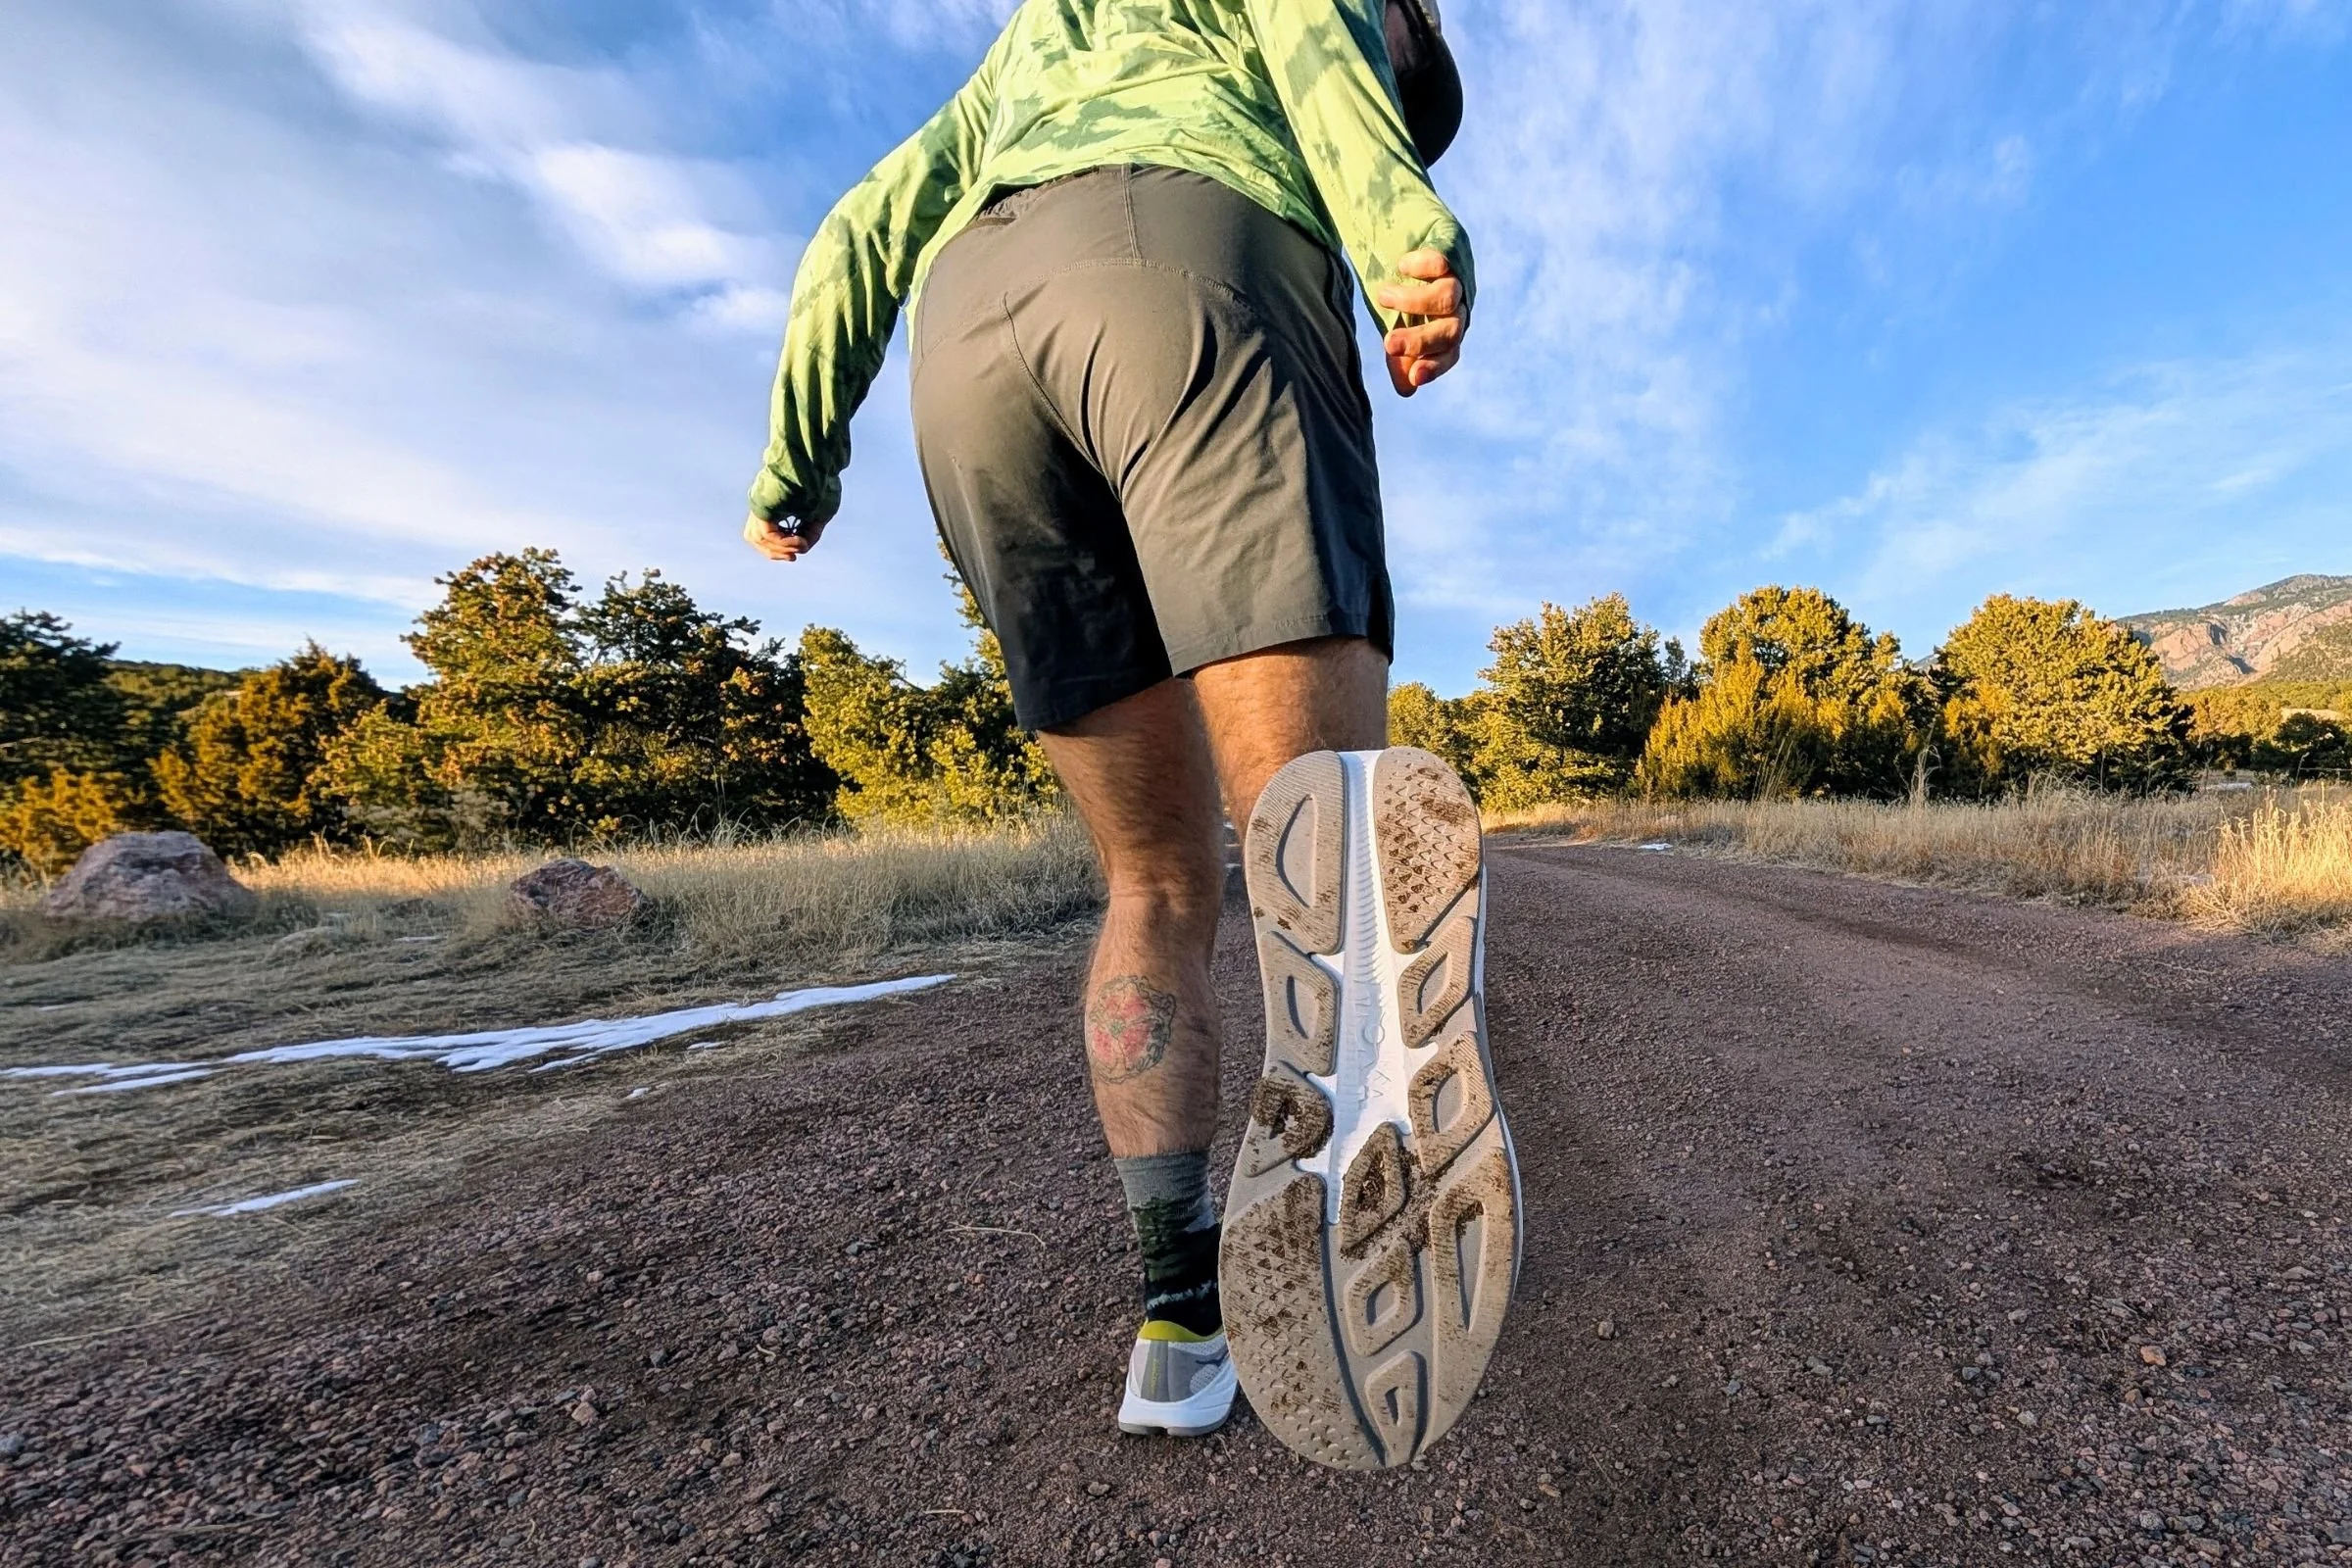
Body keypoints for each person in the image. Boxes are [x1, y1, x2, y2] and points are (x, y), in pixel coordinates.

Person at [743, 0, 1517, 1470]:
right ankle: (1370, 1218)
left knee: (1155, 884)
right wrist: (1405, 228)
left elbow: (853, 231)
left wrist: (798, 456)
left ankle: (1177, 1324)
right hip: (1194, 278)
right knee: (1323, 841)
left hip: (969, 363)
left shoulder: (1023, 61)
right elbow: (1312, 49)